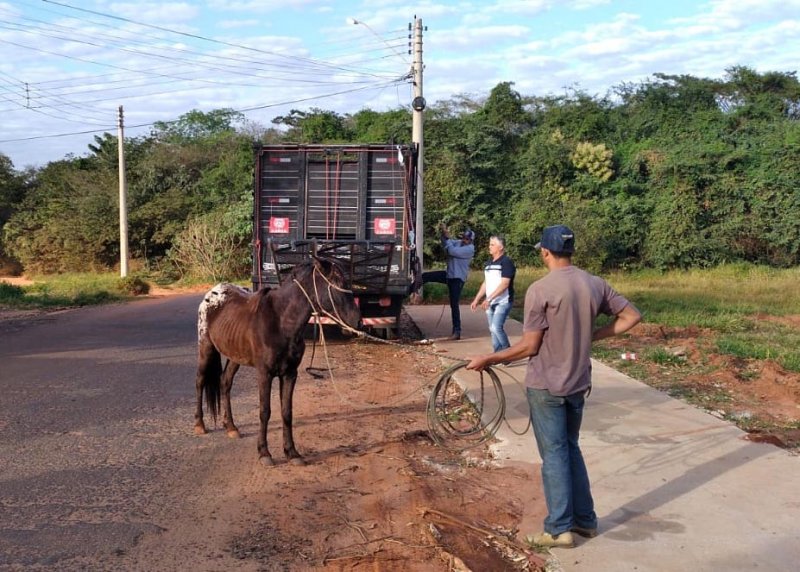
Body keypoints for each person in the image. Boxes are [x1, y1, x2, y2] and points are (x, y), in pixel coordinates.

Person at [466, 224, 641, 548]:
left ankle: (559, 528)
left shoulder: (541, 290)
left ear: (545, 252)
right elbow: (632, 316)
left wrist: (488, 359)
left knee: (555, 456)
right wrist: (593, 335)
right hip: (578, 384)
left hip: (546, 386)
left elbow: (529, 346)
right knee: (570, 448)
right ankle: (585, 521)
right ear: (570, 251)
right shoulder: (595, 284)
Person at [421, 224, 476, 340]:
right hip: (449, 275)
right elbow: (446, 243)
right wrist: (444, 235)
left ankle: (457, 331)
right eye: (463, 237)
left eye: (467, 239)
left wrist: (448, 240)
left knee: (454, 304)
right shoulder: (458, 242)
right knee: (425, 276)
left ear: (471, 240)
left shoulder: (469, 249)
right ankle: (409, 291)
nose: (464, 240)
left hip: (457, 278)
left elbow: (451, 251)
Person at [470, 235, 516, 352]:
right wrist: (477, 299)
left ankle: (507, 352)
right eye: (490, 244)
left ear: (501, 247)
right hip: (490, 302)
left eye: (492, 245)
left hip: (503, 301)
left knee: (496, 327)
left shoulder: (506, 262)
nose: (489, 247)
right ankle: (497, 353)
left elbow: (504, 284)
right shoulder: (488, 264)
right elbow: (486, 283)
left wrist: (489, 299)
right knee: (492, 329)